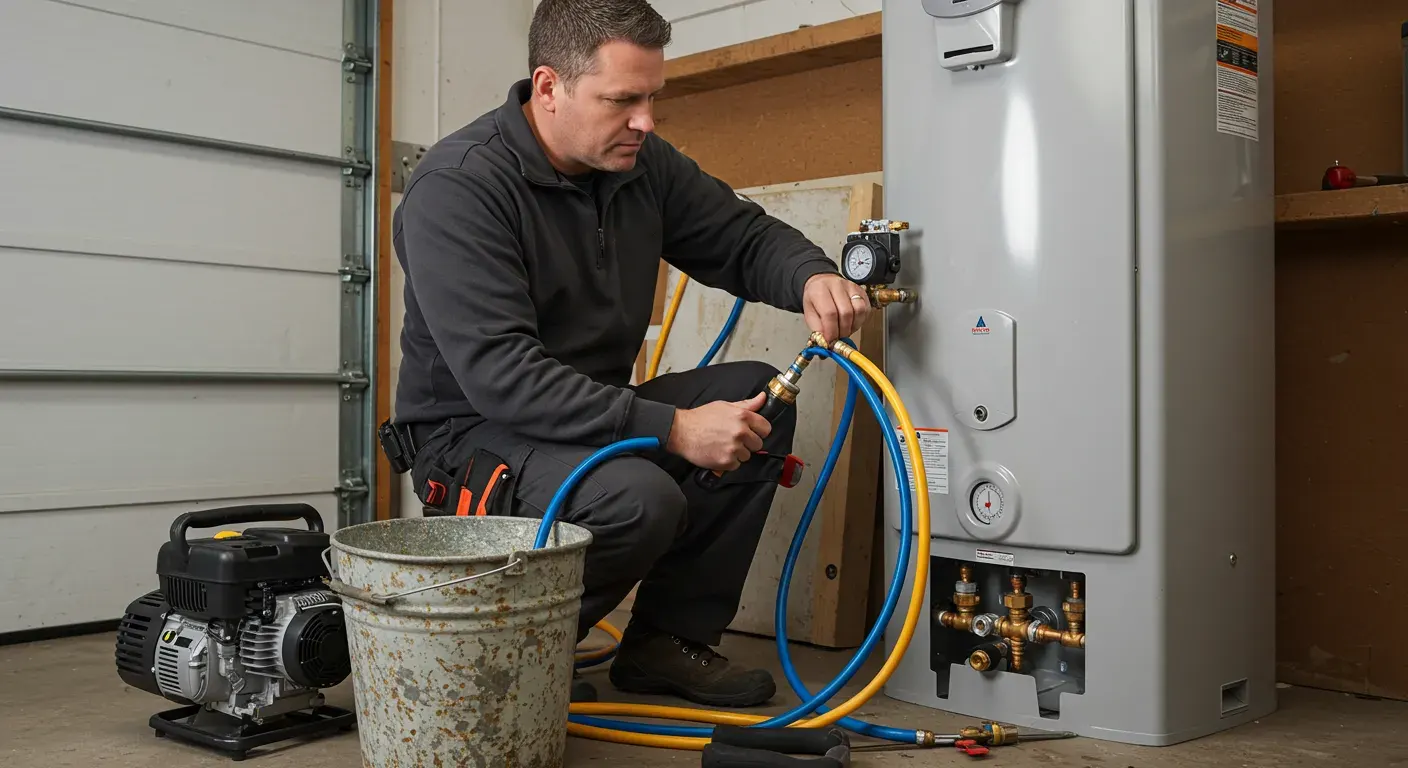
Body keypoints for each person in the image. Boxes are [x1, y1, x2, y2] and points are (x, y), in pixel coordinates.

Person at [388, 0, 870, 709]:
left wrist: (810, 275)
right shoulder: (459, 187)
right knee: (638, 501)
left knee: (761, 400)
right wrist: (674, 428)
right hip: (473, 439)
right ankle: (497, 657)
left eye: (652, 98)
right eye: (622, 100)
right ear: (549, 88)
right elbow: (503, 377)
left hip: (584, 417)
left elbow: (740, 237)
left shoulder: (640, 166)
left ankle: (665, 644)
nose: (645, 121)